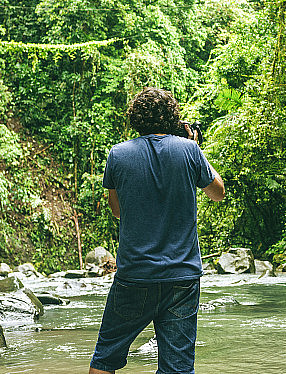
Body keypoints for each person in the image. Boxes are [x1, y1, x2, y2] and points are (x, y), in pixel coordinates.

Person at [89, 87, 225, 374]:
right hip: (182, 278)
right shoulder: (189, 150)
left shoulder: (118, 154)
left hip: (134, 275)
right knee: (177, 369)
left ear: (135, 119)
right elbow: (218, 192)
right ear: (173, 118)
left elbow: (117, 211)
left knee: (105, 359)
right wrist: (194, 147)